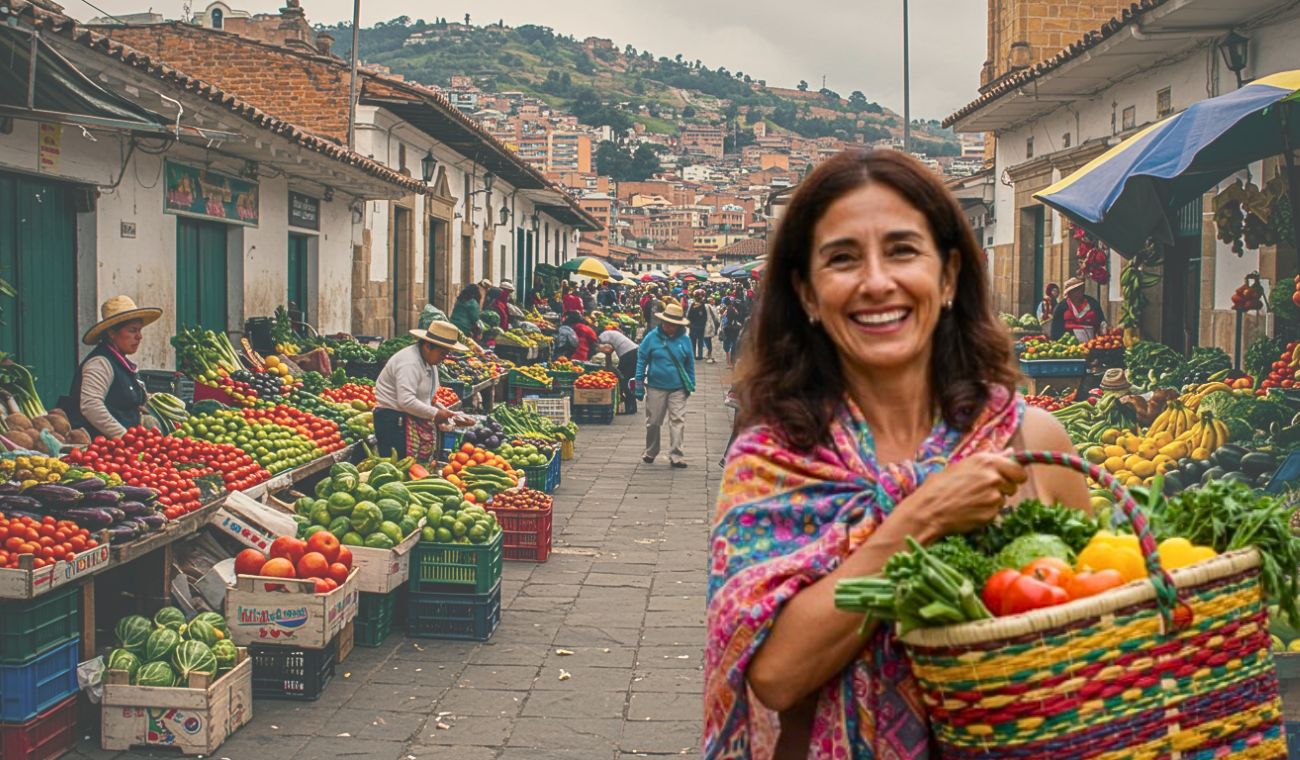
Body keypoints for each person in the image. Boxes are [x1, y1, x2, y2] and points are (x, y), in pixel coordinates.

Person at [705, 150, 1089, 758]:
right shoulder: (773, 459)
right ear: (807, 292)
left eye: (903, 250)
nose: (877, 281)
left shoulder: (1033, 444)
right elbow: (775, 676)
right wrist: (919, 519)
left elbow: (1093, 642)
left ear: (949, 275)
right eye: (842, 258)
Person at [59, 295, 161, 439]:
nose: (139, 336)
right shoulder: (100, 363)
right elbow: (91, 406)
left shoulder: (121, 363)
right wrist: (124, 437)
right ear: (112, 333)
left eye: (139, 330)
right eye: (132, 330)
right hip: (102, 447)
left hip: (124, 448)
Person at [373, 321, 472, 461]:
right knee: (399, 467)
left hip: (408, 418)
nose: (444, 358)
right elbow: (406, 401)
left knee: (415, 467)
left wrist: (451, 415)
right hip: (394, 422)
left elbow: (429, 398)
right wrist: (437, 414)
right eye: (442, 353)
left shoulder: (430, 363)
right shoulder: (409, 362)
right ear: (427, 346)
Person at [635, 302, 695, 468]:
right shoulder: (652, 337)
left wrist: (691, 384)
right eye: (668, 324)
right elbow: (642, 358)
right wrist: (639, 382)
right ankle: (651, 451)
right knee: (653, 422)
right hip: (655, 386)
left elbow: (689, 363)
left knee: (677, 421)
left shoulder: (684, 339)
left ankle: (676, 455)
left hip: (678, 388)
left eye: (674, 325)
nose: (670, 327)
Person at [598, 324, 639, 414]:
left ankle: (630, 406)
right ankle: (631, 406)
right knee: (627, 380)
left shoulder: (602, 336)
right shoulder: (610, 334)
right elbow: (609, 350)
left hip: (628, 354)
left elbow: (607, 350)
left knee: (623, 380)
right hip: (634, 352)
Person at [1050, 276, 1106, 342]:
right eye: (1074, 291)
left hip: (1090, 343)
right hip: (1068, 344)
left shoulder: (1092, 303)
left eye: (1079, 289)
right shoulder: (1061, 306)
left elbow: (1101, 321)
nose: (1078, 293)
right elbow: (1055, 329)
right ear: (1069, 293)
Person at [687, 290, 710, 360]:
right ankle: (700, 355)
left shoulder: (692, 305)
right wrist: (702, 324)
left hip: (693, 326)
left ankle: (693, 355)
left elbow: (689, 316)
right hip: (700, 327)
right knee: (700, 341)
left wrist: (691, 324)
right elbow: (705, 316)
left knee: (693, 341)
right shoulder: (703, 305)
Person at [720, 299, 743, 369]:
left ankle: (728, 363)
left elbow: (724, 321)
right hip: (735, 330)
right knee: (734, 345)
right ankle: (733, 362)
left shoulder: (726, 311)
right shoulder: (735, 310)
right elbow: (738, 318)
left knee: (727, 346)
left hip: (728, 330)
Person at [703, 296, 721, 364]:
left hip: (705, 325)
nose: (713, 301)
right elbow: (716, 317)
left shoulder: (705, 306)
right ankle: (709, 354)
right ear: (709, 301)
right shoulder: (711, 307)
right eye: (712, 300)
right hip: (709, 325)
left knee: (706, 340)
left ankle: (708, 353)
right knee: (708, 340)